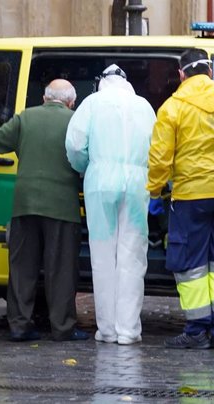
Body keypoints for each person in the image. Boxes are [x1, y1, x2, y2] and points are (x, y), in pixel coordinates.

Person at [147, 49, 214, 349]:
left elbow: (160, 158)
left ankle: (196, 331)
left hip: (191, 196)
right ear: (210, 71)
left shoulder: (172, 108)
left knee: (191, 265)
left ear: (182, 74)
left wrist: (155, 190)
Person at [0, 79, 89, 342]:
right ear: (71, 101)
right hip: (62, 207)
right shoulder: (76, 121)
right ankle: (62, 328)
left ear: (44, 97)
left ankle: (19, 326)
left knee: (22, 269)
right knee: (61, 269)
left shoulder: (25, 118)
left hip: (24, 204)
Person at [66, 65, 156, 345]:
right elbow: (157, 146)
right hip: (136, 183)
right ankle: (128, 330)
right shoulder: (144, 106)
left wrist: (86, 167)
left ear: (102, 83)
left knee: (103, 257)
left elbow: (75, 145)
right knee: (132, 257)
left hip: (100, 183)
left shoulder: (91, 103)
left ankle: (107, 329)